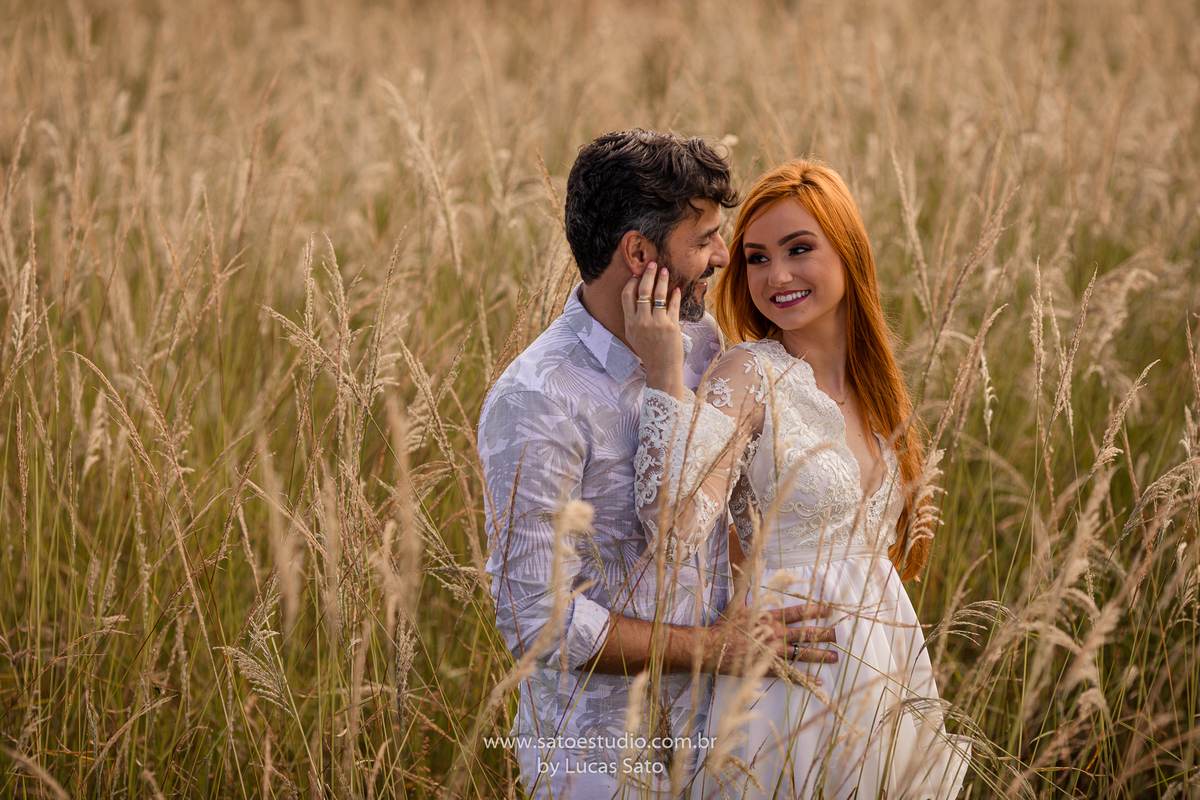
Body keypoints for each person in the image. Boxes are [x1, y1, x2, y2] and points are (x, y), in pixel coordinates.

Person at [478, 132, 838, 799]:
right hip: (599, 754)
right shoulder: (536, 400)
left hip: (726, 730)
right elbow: (537, 618)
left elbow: (720, 505)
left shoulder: (701, 340)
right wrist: (712, 648)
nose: (723, 258)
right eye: (703, 240)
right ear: (639, 253)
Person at [624, 157, 972, 799]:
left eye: (798, 249)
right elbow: (675, 531)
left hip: (885, 662)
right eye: (756, 257)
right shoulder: (747, 374)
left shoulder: (878, 387)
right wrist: (665, 374)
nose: (775, 275)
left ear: (847, 251)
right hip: (792, 672)